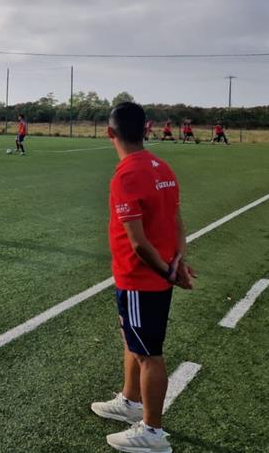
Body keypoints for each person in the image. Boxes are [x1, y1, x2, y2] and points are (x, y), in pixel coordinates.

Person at [91, 102, 195, 453]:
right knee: (132, 339)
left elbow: (137, 243)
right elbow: (177, 218)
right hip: (155, 275)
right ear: (148, 129)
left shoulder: (126, 175)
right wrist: (178, 259)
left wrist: (169, 270)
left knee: (149, 353)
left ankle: (152, 431)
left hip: (140, 278)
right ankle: (130, 400)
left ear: (110, 133)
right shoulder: (161, 166)